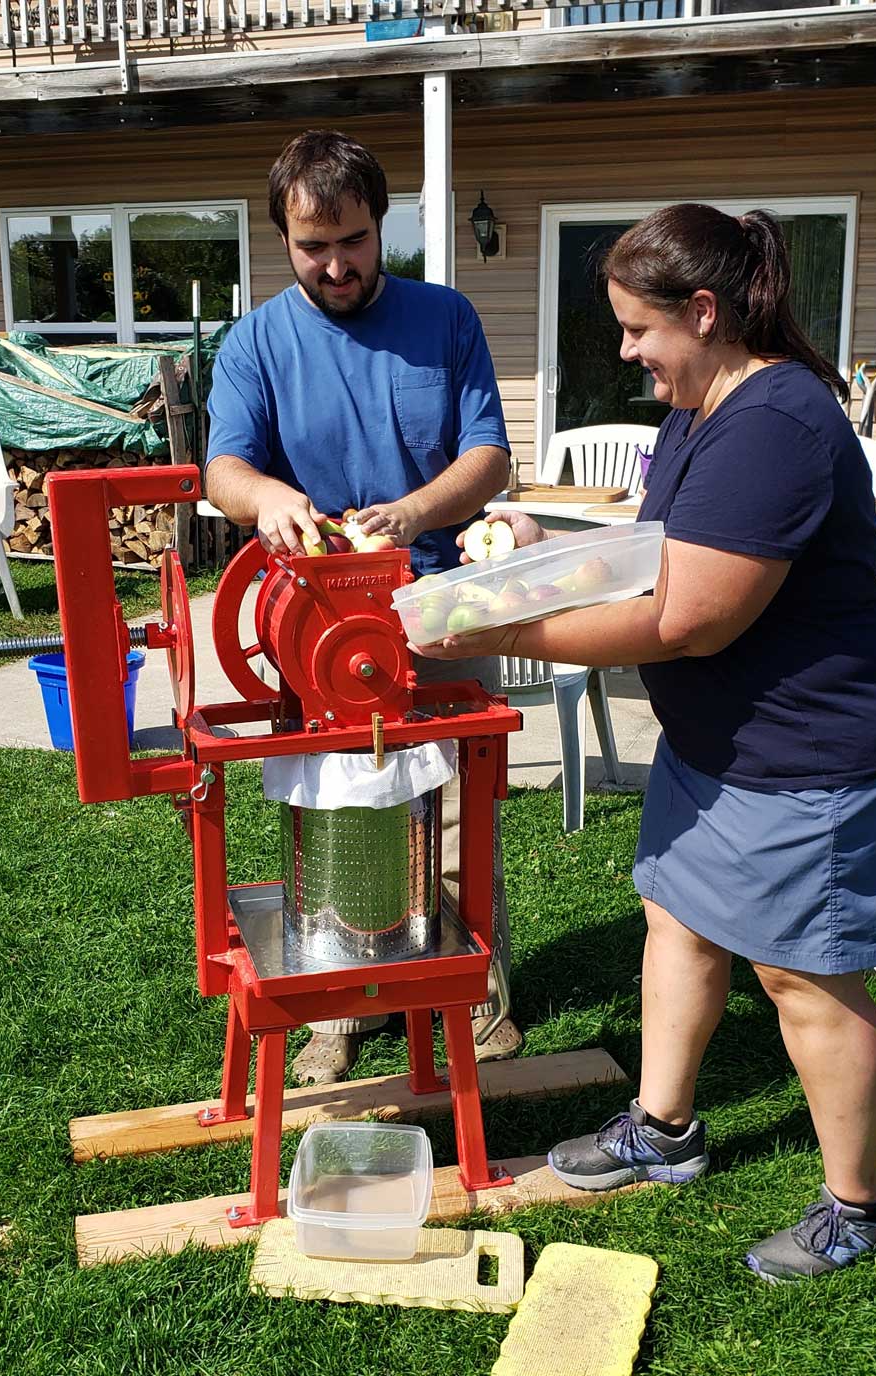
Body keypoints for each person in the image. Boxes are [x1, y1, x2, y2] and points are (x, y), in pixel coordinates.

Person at [413, 202, 876, 1283]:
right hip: (716, 742)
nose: (628, 352)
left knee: (803, 976)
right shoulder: (698, 407)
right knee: (675, 916)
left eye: (639, 329)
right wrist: (542, 545)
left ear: (707, 310)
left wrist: (497, 627)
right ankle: (664, 1129)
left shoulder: (776, 423)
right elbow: (656, 552)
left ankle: (858, 1203)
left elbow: (688, 617)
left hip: (800, 754)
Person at [205, 129, 522, 1085]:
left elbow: (489, 456)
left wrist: (413, 512)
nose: (336, 264)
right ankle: (337, 1009)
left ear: (383, 225)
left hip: (438, 601)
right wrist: (268, 499)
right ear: (284, 240)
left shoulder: (446, 318)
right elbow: (225, 468)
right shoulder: (257, 341)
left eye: (352, 240)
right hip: (322, 620)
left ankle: (478, 992)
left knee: (464, 805)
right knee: (336, 802)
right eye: (313, 247)